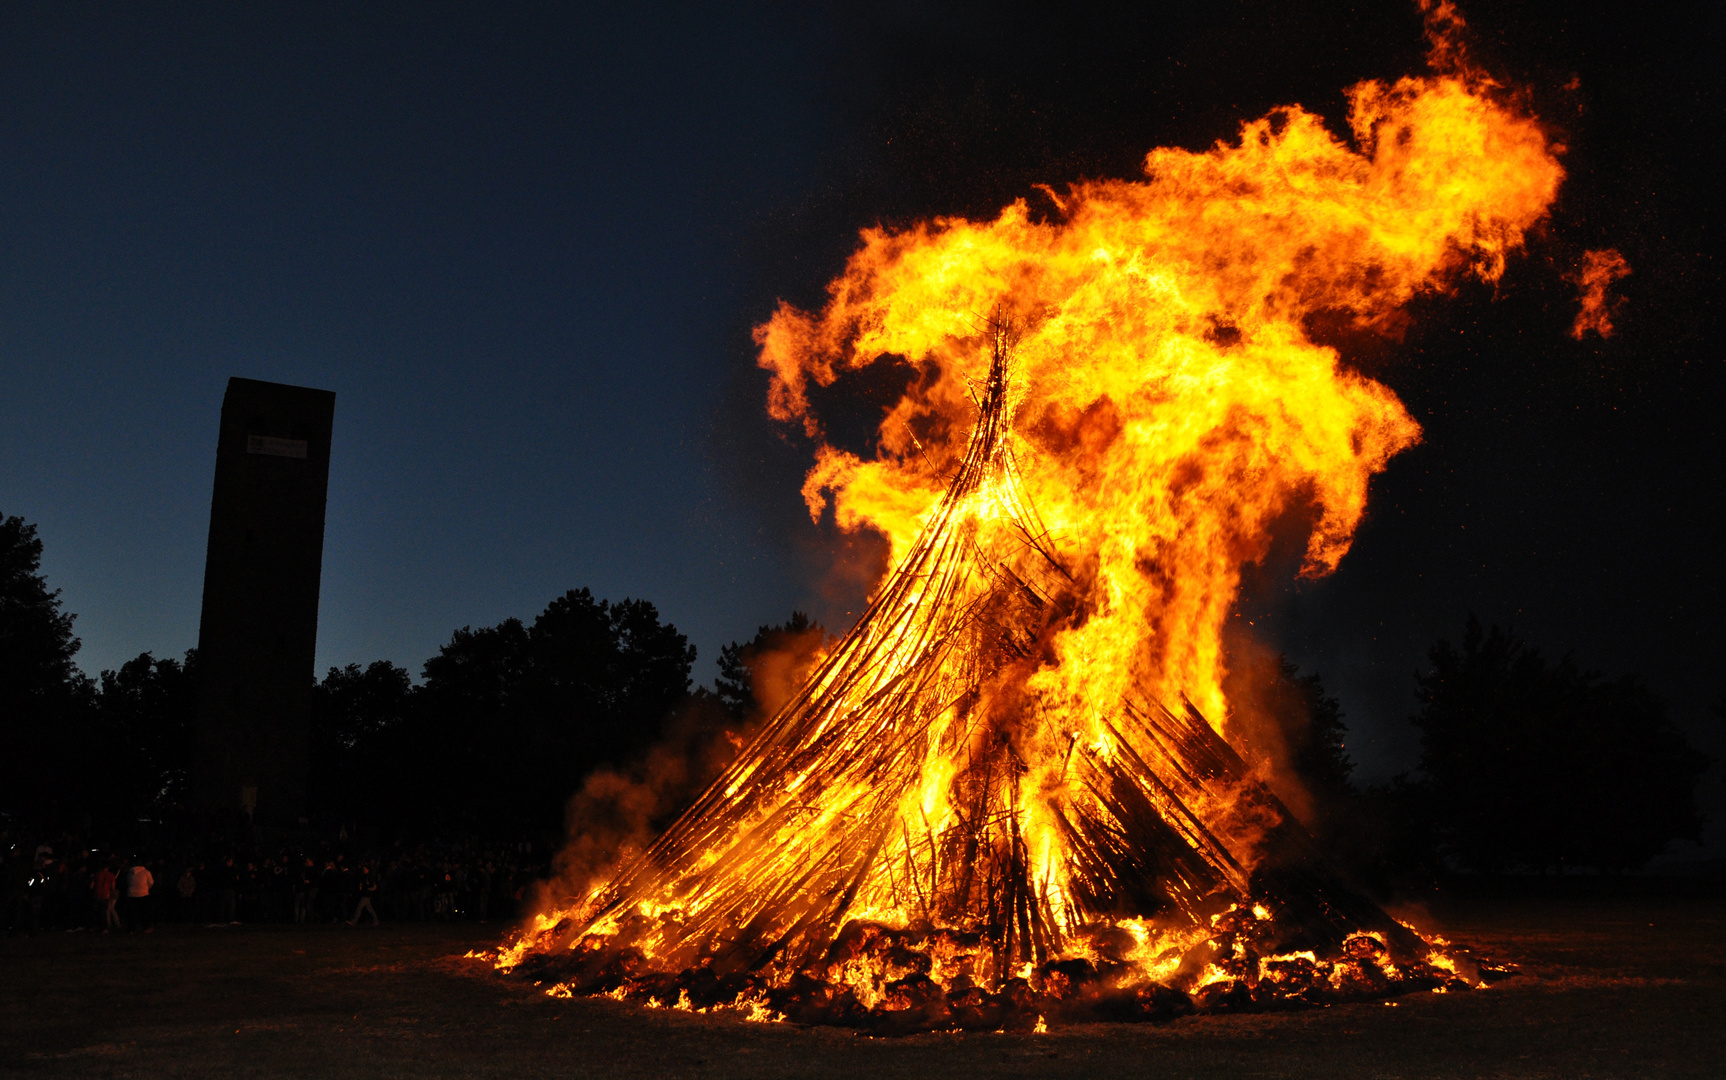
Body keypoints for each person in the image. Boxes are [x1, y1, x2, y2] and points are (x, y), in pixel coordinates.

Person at [124, 860, 154, 931]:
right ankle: (146, 927)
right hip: (143, 894)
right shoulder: (146, 872)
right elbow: (151, 882)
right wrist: (146, 888)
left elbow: (128, 882)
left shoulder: (130, 873)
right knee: (144, 912)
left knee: (132, 912)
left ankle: (131, 928)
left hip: (131, 894)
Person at [94, 862, 120, 932]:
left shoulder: (97, 875)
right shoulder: (111, 875)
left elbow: (92, 885)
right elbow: (113, 887)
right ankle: (107, 925)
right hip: (106, 894)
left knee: (100, 911)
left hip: (98, 894)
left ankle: (101, 926)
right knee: (106, 910)